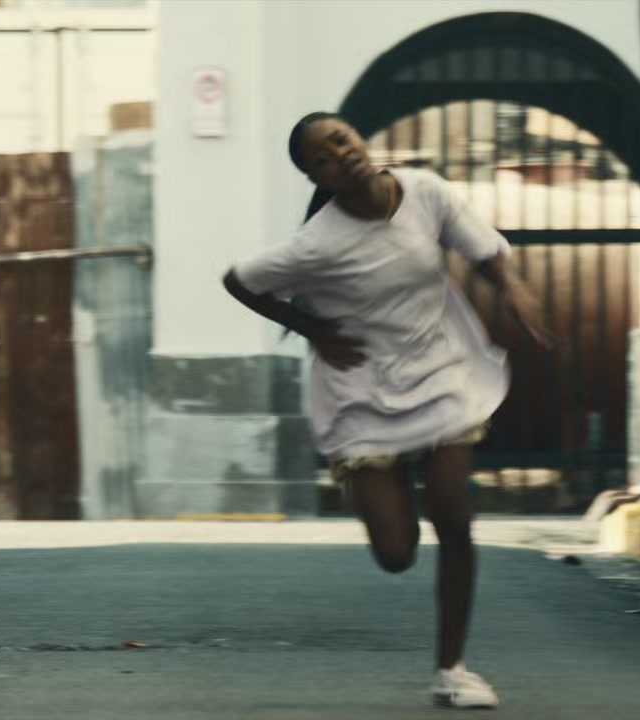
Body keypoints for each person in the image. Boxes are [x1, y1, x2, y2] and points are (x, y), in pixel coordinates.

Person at [222, 112, 552, 709]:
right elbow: (239, 280)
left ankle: (452, 670)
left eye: (340, 140)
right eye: (322, 158)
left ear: (357, 136)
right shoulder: (317, 243)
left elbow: (484, 251)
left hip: (440, 375)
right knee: (397, 555)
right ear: (316, 178)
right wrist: (312, 328)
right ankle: (383, 475)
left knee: (454, 519)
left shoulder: (424, 191)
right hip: (363, 393)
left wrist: (514, 288)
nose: (339, 155)